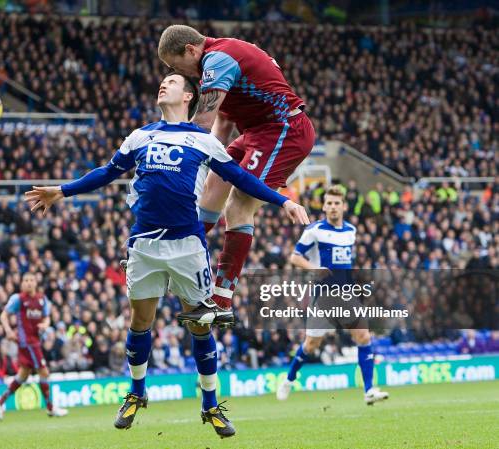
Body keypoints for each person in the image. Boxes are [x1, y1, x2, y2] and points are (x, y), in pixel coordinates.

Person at [24, 72, 309, 438]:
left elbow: (242, 179)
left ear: (189, 96)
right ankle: (137, 392)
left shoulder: (203, 140)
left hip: (188, 245)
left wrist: (282, 200)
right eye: (161, 80)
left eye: (171, 81)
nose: (163, 83)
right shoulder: (141, 135)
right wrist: (61, 191)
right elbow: (107, 172)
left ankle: (210, 405)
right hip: (144, 244)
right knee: (140, 322)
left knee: (200, 324)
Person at [158, 25, 316, 325]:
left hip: (283, 130)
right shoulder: (222, 59)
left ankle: (221, 300)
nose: (182, 73)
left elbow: (202, 123)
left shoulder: (218, 60)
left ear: (191, 50)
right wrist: (203, 163)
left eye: (179, 67)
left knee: (238, 205)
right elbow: (221, 127)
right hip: (257, 132)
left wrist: (168, 149)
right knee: (212, 189)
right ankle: (173, 254)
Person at [276, 186, 389, 405]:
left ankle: (369, 390)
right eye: (329, 203)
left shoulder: (350, 231)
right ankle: (289, 379)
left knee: (364, 336)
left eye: (337, 203)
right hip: (323, 294)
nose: (333, 207)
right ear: (324, 206)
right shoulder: (314, 230)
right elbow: (295, 257)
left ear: (344, 206)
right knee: (311, 345)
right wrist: (314, 269)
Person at [0, 272, 68, 420]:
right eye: (25, 280)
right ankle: (51, 408)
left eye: (31, 280)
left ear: (36, 282)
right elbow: (3, 315)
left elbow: (47, 318)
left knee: (23, 375)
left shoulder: (42, 299)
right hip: (28, 342)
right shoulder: (17, 299)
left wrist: (45, 325)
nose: (28, 283)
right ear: (22, 283)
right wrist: (8, 331)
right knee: (44, 372)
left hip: (34, 341)